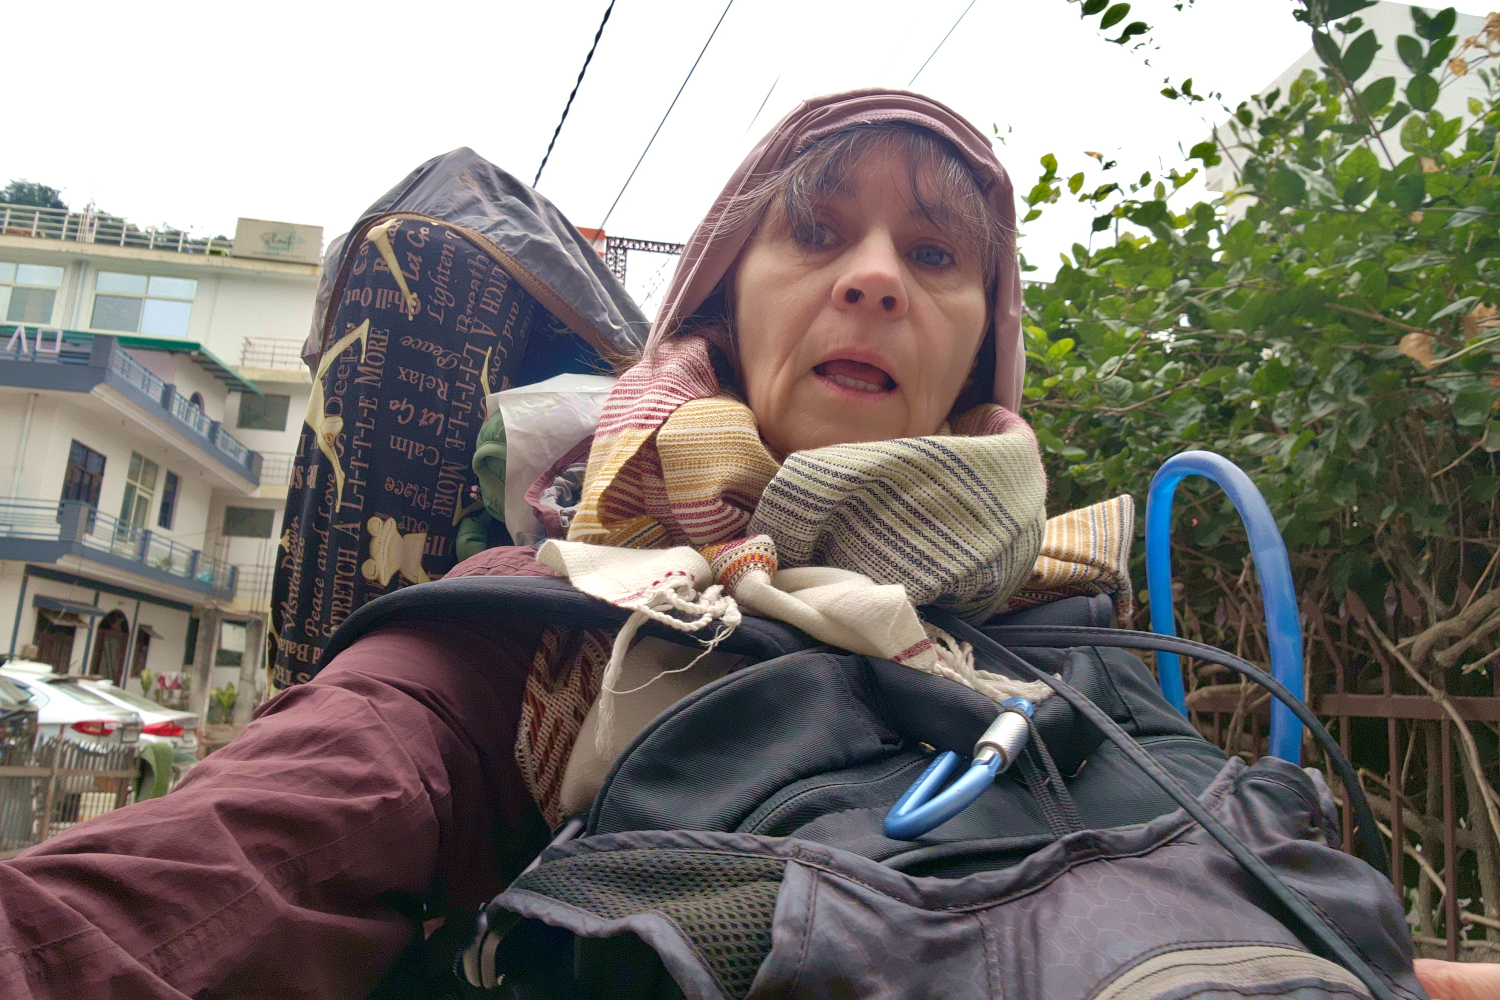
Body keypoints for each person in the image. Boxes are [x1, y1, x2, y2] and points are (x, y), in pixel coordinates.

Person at [0, 89, 1490, 1000]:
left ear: (984, 343)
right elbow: (230, 868)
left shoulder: (1072, 628)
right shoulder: (555, 621)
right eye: (817, 235)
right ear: (722, 304)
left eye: (936, 254)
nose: (874, 280)